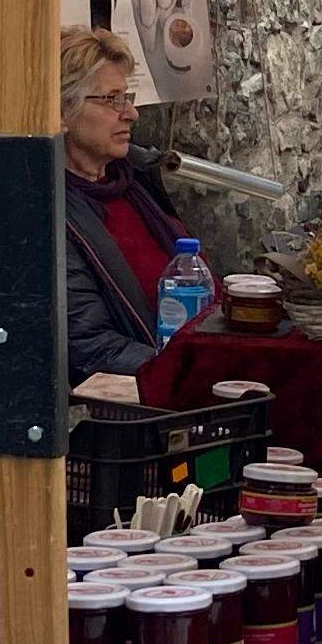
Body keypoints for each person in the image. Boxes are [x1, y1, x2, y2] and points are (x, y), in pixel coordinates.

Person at [58, 25, 195, 380]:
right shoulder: (50, 209)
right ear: (63, 111)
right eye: (112, 99)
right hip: (138, 400)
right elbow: (88, 344)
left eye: (128, 97)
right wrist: (184, 374)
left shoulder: (135, 179)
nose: (131, 113)